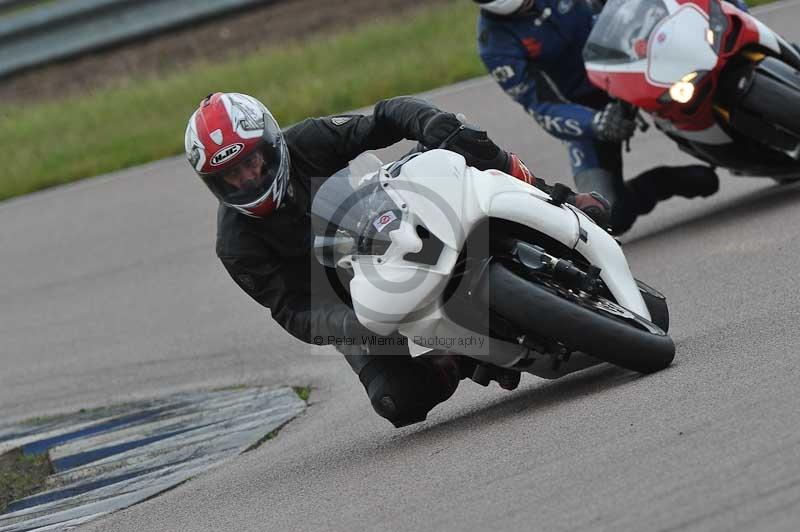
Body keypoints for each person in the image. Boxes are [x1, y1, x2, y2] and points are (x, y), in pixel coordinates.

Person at [185, 92, 608, 427]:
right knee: (397, 402)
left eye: (252, 163)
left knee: (461, 135)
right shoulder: (236, 245)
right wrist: (351, 327)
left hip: (394, 213)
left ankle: (557, 199)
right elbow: (291, 311)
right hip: (352, 298)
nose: (246, 179)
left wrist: (425, 120)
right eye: (230, 176)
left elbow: (384, 118)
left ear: (272, 145)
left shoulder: (309, 141)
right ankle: (463, 356)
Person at [474, 0, 749, 234]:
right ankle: (659, 183)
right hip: (589, 107)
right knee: (603, 218)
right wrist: (594, 123)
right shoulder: (494, 44)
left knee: (731, 38)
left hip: (646, 57)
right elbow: (541, 107)